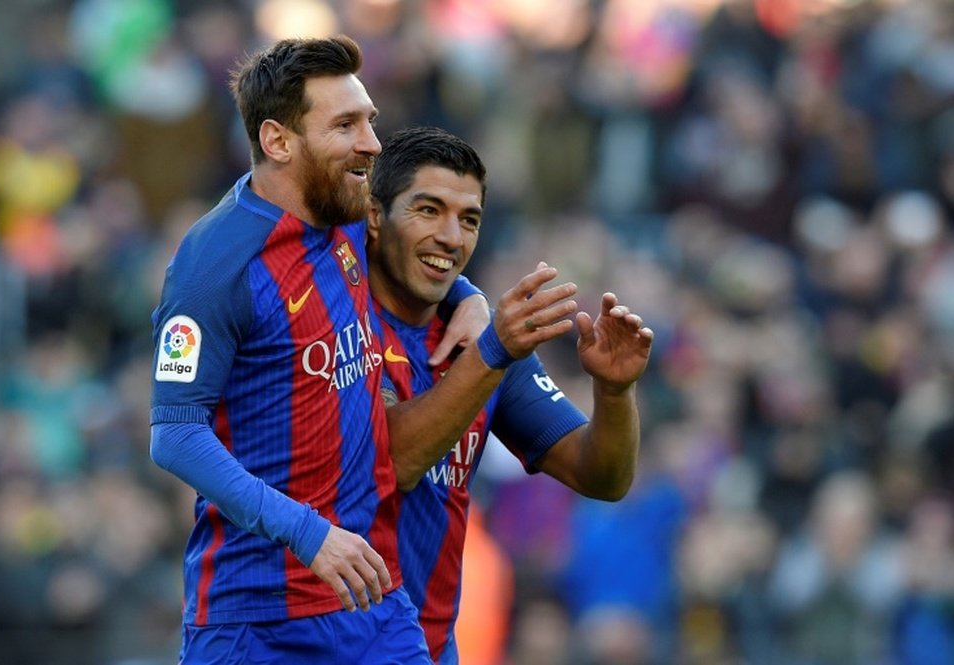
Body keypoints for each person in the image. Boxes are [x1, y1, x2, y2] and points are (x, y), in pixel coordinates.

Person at [149, 36, 576, 663]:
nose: (372, 143)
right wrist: (308, 533)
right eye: (346, 124)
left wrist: (468, 296)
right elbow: (175, 435)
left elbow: (425, 246)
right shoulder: (214, 265)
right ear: (278, 141)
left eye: (369, 120)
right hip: (257, 613)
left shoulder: (345, 214)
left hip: (373, 601)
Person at [365, 126, 654, 663]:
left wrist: (614, 392)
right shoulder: (337, 324)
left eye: (469, 219)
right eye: (428, 210)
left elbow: (603, 476)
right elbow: (395, 463)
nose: (452, 236)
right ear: (375, 216)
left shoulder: (487, 341)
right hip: (318, 643)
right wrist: (493, 350)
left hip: (423, 650)